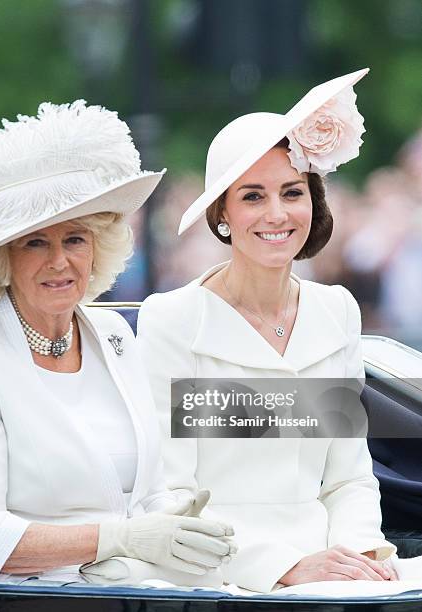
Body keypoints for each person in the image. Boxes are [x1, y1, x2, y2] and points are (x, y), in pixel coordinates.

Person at [0, 101, 235, 584]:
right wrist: (120, 538)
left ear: (97, 249)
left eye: (74, 239)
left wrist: (178, 521)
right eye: (35, 243)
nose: (58, 262)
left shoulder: (113, 333)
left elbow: (146, 493)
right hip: (43, 595)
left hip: (141, 586)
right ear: (2, 258)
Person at [137, 69, 399, 593]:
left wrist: (361, 554)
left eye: (292, 192)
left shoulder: (337, 311)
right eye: (253, 196)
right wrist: (281, 569)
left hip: (334, 578)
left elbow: (348, 475)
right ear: (223, 213)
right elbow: (167, 495)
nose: (276, 214)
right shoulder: (172, 320)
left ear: (313, 202)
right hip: (220, 578)